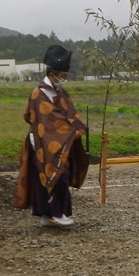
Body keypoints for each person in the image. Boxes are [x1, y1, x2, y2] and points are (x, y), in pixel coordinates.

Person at [13, 45, 89, 227]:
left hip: (56, 143)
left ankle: (47, 215)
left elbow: (69, 114)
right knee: (54, 176)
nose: (64, 80)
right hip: (40, 143)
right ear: (52, 74)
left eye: (65, 77)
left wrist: (78, 127)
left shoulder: (59, 92)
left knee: (53, 175)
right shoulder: (39, 93)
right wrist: (70, 131)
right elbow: (47, 120)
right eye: (62, 77)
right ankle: (56, 214)